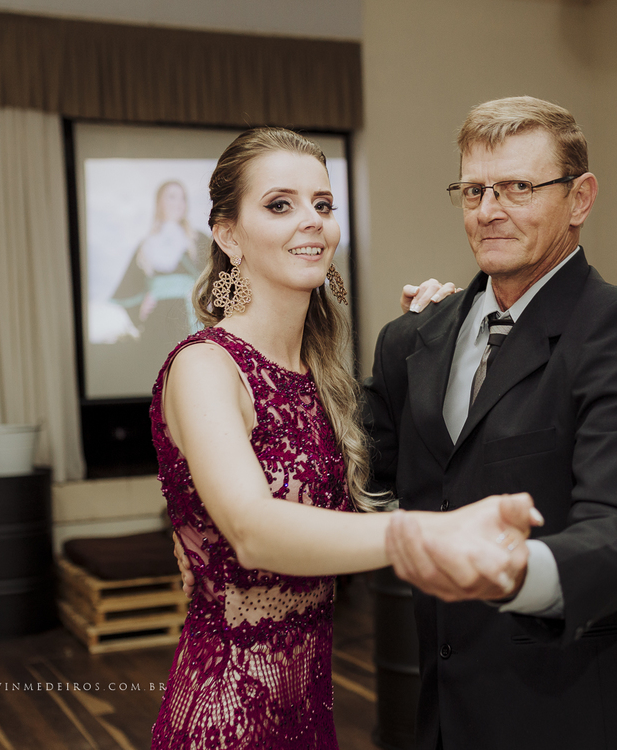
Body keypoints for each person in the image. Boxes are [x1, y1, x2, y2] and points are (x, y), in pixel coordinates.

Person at [153, 128, 536, 749]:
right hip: (227, 717)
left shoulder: (319, 378)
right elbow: (252, 530)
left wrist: (435, 347)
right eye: (280, 205)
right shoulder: (206, 366)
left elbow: (377, 491)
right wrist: (426, 535)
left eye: (323, 204)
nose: (312, 221)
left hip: (308, 709)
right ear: (228, 235)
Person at [365, 96, 617, 750]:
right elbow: (367, 483)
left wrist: (509, 572)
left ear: (580, 199)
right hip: (440, 708)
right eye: (474, 190)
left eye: (518, 187)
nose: (489, 210)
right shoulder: (411, 340)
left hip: (571, 708)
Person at [112, 180, 209, 351]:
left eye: (183, 198)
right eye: (172, 197)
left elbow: (219, 277)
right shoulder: (146, 246)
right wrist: (140, 307)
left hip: (188, 317)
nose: (179, 203)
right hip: (156, 322)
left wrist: (202, 297)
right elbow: (129, 288)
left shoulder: (198, 240)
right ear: (159, 203)